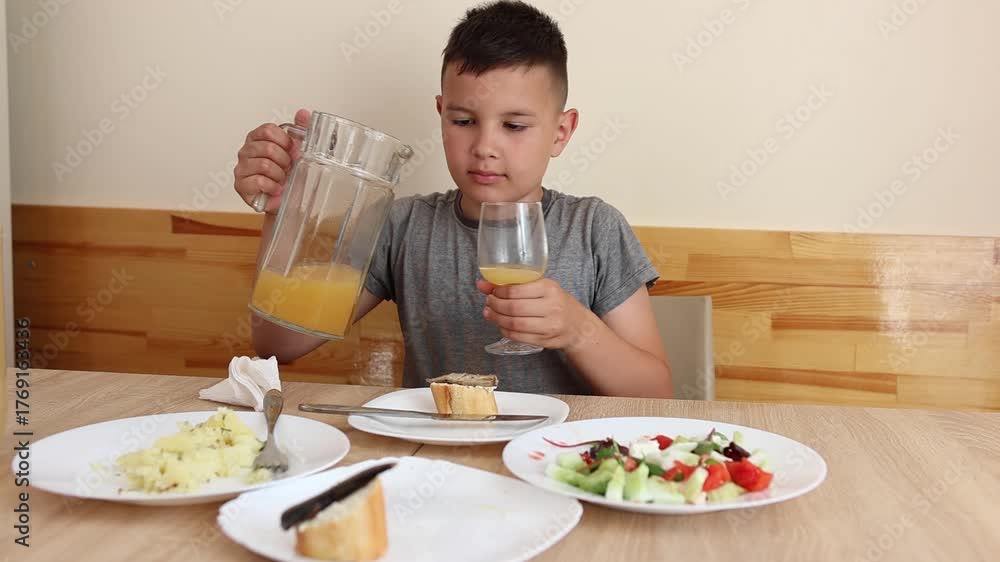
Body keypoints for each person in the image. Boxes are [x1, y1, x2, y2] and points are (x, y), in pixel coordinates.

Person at [233, 0, 673, 398]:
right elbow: (279, 343)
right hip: (434, 454)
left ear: (561, 132)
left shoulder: (594, 228)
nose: (485, 147)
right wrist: (286, 210)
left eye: (514, 126)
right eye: (464, 121)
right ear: (442, 114)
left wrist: (578, 330)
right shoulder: (403, 225)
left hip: (558, 454)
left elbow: (657, 394)